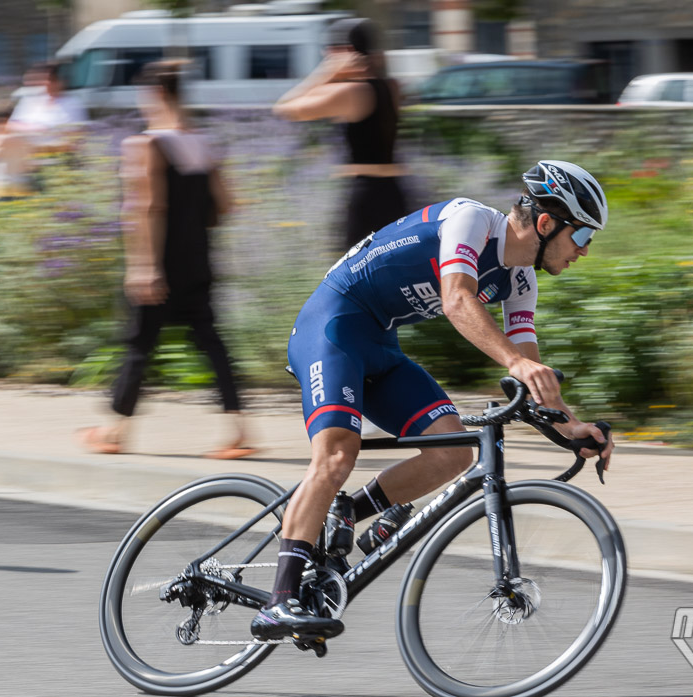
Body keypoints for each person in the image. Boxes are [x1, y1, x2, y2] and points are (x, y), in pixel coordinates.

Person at [250, 160, 616, 641]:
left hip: (379, 344)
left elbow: (531, 368)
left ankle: (347, 512)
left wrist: (571, 428)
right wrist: (516, 364)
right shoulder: (472, 221)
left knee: (453, 451)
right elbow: (457, 300)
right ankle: (278, 602)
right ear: (546, 223)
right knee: (339, 451)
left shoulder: (521, 281)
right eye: (583, 237)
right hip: (332, 326)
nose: (584, 253)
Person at [79, 60, 256, 460]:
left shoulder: (144, 144)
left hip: (162, 265)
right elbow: (226, 206)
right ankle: (239, 430)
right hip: (198, 260)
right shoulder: (202, 143)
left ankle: (114, 432)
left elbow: (145, 208)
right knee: (212, 343)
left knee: (139, 344)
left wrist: (144, 266)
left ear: (156, 94)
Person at [273, 18, 408, 251]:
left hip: (366, 197)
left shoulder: (351, 92)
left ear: (346, 52)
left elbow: (285, 108)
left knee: (348, 277)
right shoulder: (391, 86)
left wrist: (326, 73)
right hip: (395, 192)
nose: (326, 55)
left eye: (330, 52)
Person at [8, 61, 88, 142]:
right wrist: (37, 128)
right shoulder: (29, 101)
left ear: (61, 82)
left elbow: (77, 131)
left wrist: (50, 131)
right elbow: (11, 125)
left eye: (52, 80)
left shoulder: (73, 103)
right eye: (45, 79)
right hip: (29, 150)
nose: (47, 84)